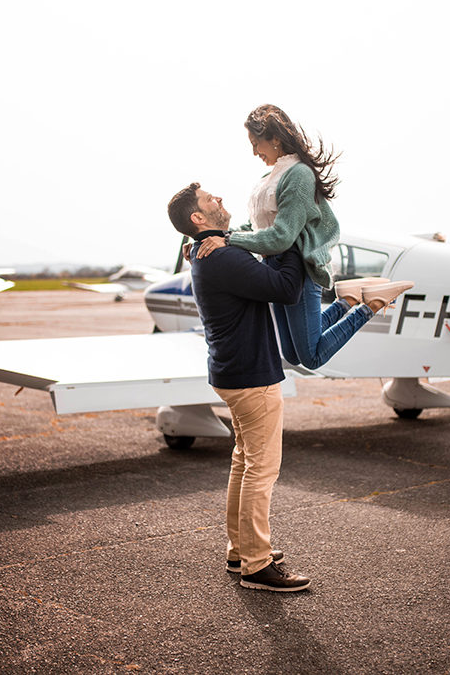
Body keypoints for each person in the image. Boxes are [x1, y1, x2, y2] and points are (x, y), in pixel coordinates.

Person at [167, 181, 311, 592]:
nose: (221, 201)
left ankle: (240, 550)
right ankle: (256, 564)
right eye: (212, 200)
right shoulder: (222, 258)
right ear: (198, 218)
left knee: (244, 463)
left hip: (232, 372)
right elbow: (286, 289)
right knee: (261, 471)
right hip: (252, 376)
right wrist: (295, 239)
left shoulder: (208, 251)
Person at [194, 104, 414, 369]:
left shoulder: (298, 175)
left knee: (312, 357)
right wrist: (207, 238)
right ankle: (348, 299)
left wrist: (227, 241)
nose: (254, 152)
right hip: (274, 268)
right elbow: (255, 227)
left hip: (298, 269)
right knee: (293, 354)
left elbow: (281, 237)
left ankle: (371, 305)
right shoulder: (269, 177)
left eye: (256, 144)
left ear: (274, 138)